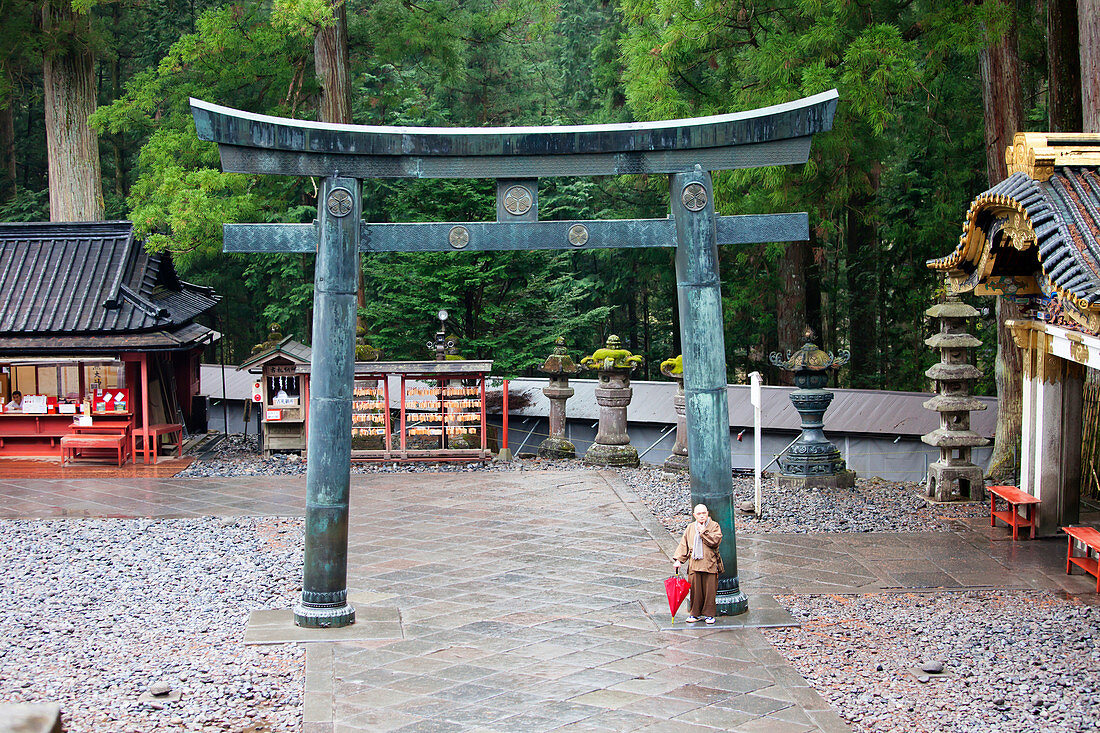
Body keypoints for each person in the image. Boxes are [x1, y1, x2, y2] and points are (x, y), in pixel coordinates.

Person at [672, 503, 723, 624]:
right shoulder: (690, 527)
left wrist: (703, 532)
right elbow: (684, 544)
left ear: (707, 514)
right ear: (694, 515)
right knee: (695, 591)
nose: (701, 516)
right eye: (699, 514)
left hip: (709, 563)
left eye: (704, 513)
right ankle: (694, 613)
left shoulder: (714, 526)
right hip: (695, 564)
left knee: (710, 591)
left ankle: (709, 614)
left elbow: (715, 541)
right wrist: (679, 560)